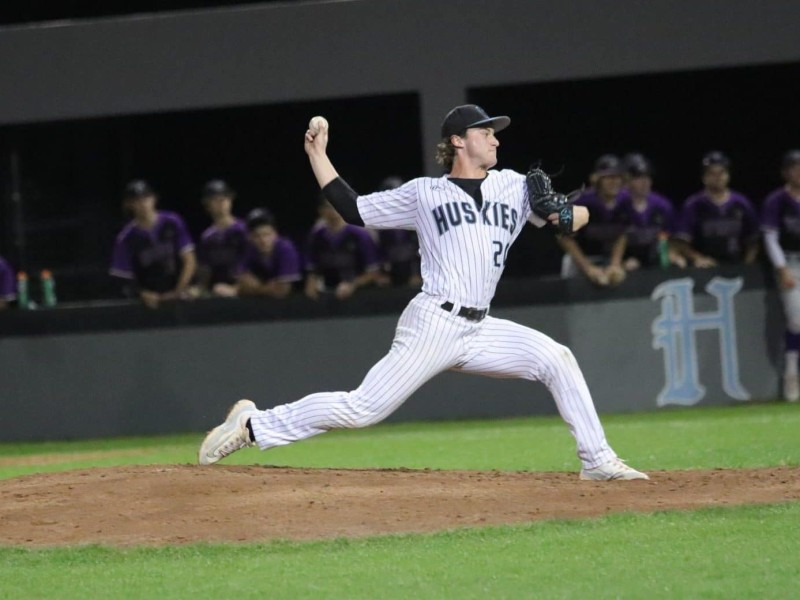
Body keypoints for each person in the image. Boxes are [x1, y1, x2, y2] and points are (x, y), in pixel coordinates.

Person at [198, 104, 649, 481]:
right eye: (485, 131)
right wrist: (318, 153)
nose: (495, 139)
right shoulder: (425, 194)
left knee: (556, 359)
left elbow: (574, 216)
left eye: (495, 133)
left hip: (481, 326)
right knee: (362, 408)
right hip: (435, 320)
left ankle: (598, 461)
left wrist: (566, 216)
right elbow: (353, 209)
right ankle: (253, 425)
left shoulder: (513, 186)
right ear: (458, 140)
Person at [110, 180, 197, 309]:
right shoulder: (126, 238)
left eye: (146, 198)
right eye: (137, 200)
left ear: (154, 199)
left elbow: (189, 260)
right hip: (151, 301)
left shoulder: (172, 222)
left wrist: (178, 291)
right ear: (129, 204)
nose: (143, 204)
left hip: (181, 292)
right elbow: (123, 277)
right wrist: (142, 293)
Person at [673, 152, 760, 267]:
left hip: (736, 265)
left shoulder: (742, 203)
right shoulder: (693, 205)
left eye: (722, 172)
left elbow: (753, 241)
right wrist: (697, 258)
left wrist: (748, 265)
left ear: (728, 175)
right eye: (712, 173)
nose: (718, 177)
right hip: (704, 267)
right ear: (704, 178)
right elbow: (681, 243)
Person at [761, 149, 800, 402]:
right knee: (796, 321)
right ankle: (791, 376)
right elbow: (770, 236)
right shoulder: (777, 200)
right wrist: (782, 267)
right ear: (786, 172)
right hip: (791, 261)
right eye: (794, 167)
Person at [559, 154, 629, 286]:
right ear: (597, 179)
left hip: (607, 260)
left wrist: (615, 263)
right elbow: (564, 237)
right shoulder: (582, 202)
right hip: (579, 261)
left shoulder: (625, 201)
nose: (614, 182)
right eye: (609, 177)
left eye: (617, 177)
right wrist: (588, 268)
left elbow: (622, 234)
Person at [304, 197, 383, 300]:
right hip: (327, 293)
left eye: (336, 206)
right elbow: (312, 269)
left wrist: (353, 284)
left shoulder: (360, 234)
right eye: (328, 207)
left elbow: (373, 272)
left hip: (359, 295)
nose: (333, 211)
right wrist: (311, 283)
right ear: (321, 210)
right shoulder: (317, 235)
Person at [619, 153, 683, 270]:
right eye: (638, 177)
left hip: (655, 259)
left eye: (647, 176)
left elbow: (670, 236)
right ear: (626, 180)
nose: (645, 182)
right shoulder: (618, 205)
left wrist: (672, 253)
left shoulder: (662, 205)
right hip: (625, 260)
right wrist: (621, 261)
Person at [197, 179, 249, 297]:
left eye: (225, 198)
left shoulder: (244, 230)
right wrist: (200, 289)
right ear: (207, 204)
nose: (221, 202)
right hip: (219, 291)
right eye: (215, 199)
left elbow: (254, 263)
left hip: (246, 290)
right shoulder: (207, 236)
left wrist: (238, 289)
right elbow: (205, 268)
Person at [237, 208, 302, 298]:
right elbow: (242, 286)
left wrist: (256, 288)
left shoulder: (286, 248)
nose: (263, 240)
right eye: (257, 236)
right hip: (262, 306)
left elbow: (282, 291)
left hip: (296, 303)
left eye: (267, 234)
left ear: (275, 234)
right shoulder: (249, 249)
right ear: (250, 237)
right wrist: (268, 288)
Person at [375, 176, 422, 287]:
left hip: (414, 274)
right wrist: (383, 274)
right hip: (392, 274)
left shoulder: (416, 218)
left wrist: (418, 274)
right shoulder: (380, 223)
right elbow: (381, 251)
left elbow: (421, 249)